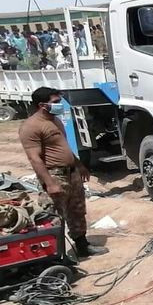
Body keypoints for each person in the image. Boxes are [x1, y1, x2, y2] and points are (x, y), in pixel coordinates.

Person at [19, 87, 107, 259]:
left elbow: (63, 147)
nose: (59, 105)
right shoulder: (30, 127)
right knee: (54, 217)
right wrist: (50, 183)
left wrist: (79, 165)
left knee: (77, 211)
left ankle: (82, 246)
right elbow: (34, 158)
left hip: (71, 173)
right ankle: (57, 257)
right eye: (55, 102)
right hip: (55, 175)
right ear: (41, 105)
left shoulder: (55, 120)